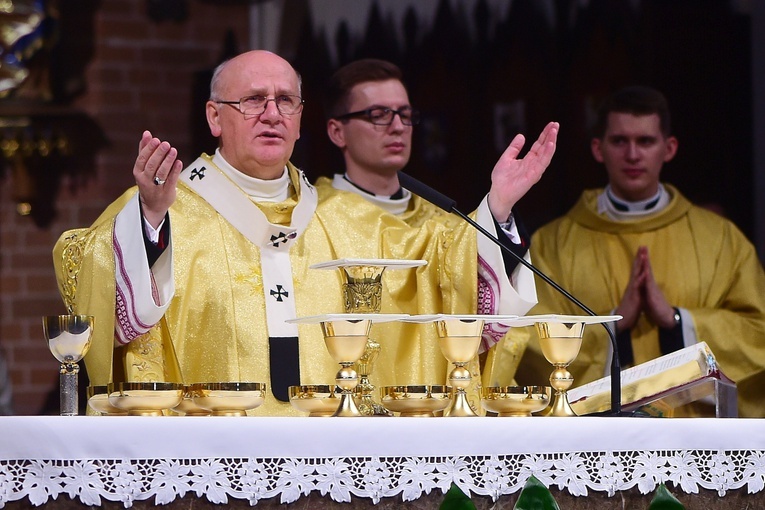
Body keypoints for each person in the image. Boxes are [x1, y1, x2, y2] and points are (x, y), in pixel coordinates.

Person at [51, 50, 558, 416]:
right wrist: (151, 223)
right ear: (214, 117)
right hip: (205, 452)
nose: (271, 113)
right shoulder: (166, 204)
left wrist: (498, 207)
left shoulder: (348, 219)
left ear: (299, 121)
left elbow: (447, 279)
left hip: (332, 451)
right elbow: (100, 294)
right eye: (252, 100)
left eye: (285, 101)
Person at [512, 85, 765, 417]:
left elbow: (757, 332)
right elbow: (526, 341)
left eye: (645, 141)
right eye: (619, 141)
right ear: (598, 148)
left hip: (695, 438)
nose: (632, 155)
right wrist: (614, 328)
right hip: (597, 441)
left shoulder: (720, 239)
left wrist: (677, 321)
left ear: (669, 148)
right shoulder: (553, 244)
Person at [317, 58, 536, 364]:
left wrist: (499, 206)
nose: (397, 127)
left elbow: (481, 311)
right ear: (337, 132)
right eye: (379, 115)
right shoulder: (314, 219)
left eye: (404, 115)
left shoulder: (442, 220)